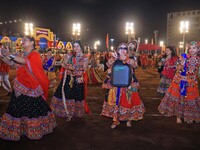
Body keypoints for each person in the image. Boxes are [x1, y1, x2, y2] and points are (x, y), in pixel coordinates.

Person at [0, 36, 56, 141]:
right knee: (17, 108)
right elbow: (12, 63)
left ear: (32, 42)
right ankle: (19, 128)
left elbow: (24, 61)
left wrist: (9, 54)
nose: (22, 41)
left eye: (25, 40)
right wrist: (2, 56)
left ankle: (34, 128)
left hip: (31, 87)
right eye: (22, 40)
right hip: (19, 85)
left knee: (32, 108)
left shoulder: (35, 54)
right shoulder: (21, 53)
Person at [101, 43, 145, 129]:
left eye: (125, 48)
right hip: (116, 83)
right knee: (116, 101)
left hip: (128, 84)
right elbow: (108, 65)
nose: (122, 50)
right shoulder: (114, 57)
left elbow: (135, 65)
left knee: (129, 100)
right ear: (118, 49)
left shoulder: (131, 57)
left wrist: (126, 59)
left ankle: (129, 119)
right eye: (120, 48)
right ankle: (115, 119)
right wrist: (113, 58)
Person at [158, 41, 200, 124]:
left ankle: (188, 116)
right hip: (180, 81)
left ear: (198, 49)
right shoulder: (184, 57)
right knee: (179, 99)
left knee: (188, 99)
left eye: (194, 48)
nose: (191, 50)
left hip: (191, 83)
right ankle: (178, 116)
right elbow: (177, 68)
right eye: (190, 48)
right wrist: (181, 64)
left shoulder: (198, 59)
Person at [51, 40, 90, 121]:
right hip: (69, 79)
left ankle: (76, 113)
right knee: (68, 95)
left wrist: (74, 69)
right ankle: (68, 113)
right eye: (74, 46)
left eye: (77, 46)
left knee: (77, 96)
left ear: (81, 46)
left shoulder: (85, 57)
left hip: (78, 79)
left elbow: (84, 69)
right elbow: (63, 64)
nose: (76, 48)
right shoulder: (70, 55)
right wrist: (67, 66)